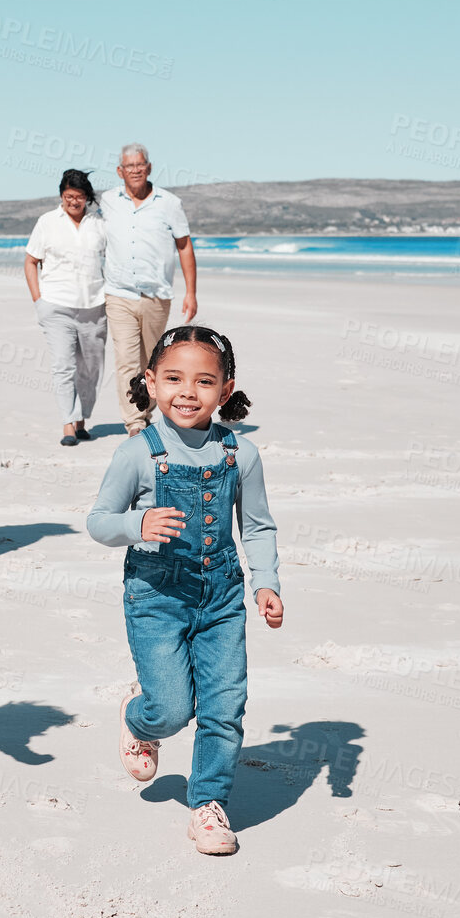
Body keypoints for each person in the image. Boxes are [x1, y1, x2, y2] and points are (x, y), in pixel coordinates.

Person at [86, 325, 283, 856]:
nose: (187, 392)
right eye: (173, 378)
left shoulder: (241, 455)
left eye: (203, 381)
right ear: (151, 382)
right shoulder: (138, 453)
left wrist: (266, 584)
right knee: (172, 710)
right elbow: (99, 521)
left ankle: (208, 805)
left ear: (226, 388)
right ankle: (139, 715)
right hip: (157, 597)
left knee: (224, 705)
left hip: (222, 600)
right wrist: (138, 524)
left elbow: (258, 527)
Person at [99, 143, 199, 435]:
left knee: (152, 362)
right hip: (119, 294)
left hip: (157, 296)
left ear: (149, 167)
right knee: (126, 360)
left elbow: (184, 245)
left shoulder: (169, 203)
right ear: (120, 171)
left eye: (140, 165)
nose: (135, 170)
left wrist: (191, 292)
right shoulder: (107, 201)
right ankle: (134, 422)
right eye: (129, 166)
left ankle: (147, 410)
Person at [24, 169, 108, 447]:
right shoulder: (47, 222)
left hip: (94, 306)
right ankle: (67, 426)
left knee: (91, 368)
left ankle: (82, 420)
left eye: (80, 197)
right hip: (56, 306)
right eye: (69, 196)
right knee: (63, 366)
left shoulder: (99, 224)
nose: (74, 202)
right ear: (61, 196)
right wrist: (39, 300)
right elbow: (30, 261)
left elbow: (115, 260)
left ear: (87, 198)